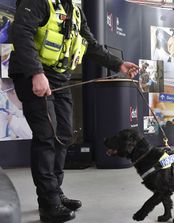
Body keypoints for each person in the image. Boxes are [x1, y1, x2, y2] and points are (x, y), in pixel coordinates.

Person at [9, 0, 139, 222]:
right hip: (34, 75)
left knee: (64, 135)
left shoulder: (76, 12)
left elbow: (91, 45)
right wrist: (35, 73)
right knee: (46, 136)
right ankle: (48, 203)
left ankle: (55, 192)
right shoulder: (39, 2)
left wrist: (118, 64)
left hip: (60, 78)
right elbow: (21, 33)